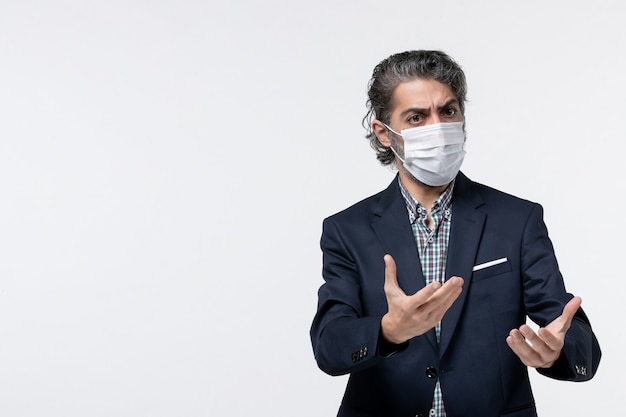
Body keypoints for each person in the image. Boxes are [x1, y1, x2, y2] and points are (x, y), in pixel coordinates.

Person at [310, 50, 601, 417]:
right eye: (416, 117)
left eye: (447, 111)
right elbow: (329, 347)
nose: (437, 127)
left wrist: (558, 352)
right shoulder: (346, 229)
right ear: (385, 134)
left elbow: (573, 334)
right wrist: (388, 330)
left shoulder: (518, 219)